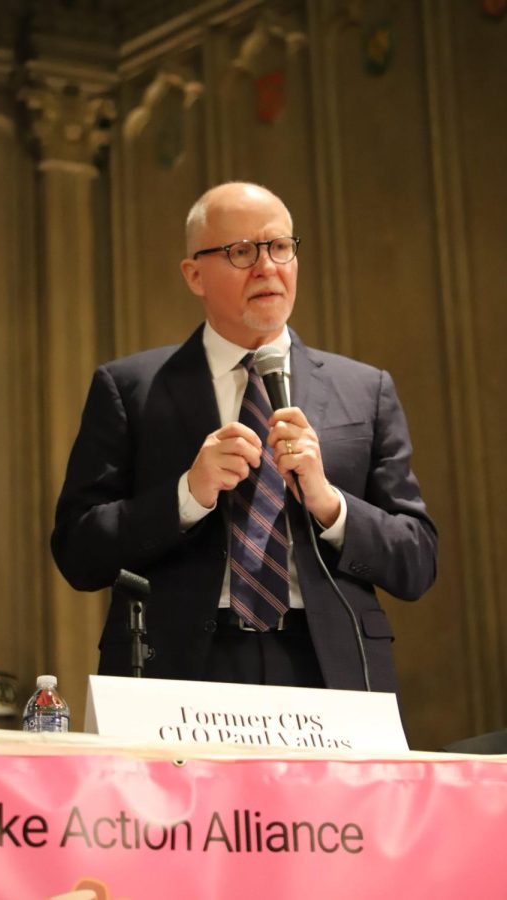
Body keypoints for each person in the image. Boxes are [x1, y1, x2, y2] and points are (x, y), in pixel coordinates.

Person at [51, 181, 437, 694]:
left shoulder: (365, 390)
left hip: (330, 668)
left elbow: (416, 562)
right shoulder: (130, 389)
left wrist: (329, 505)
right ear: (194, 274)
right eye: (240, 252)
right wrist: (187, 495)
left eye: (279, 247)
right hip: (177, 665)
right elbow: (78, 551)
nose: (267, 266)